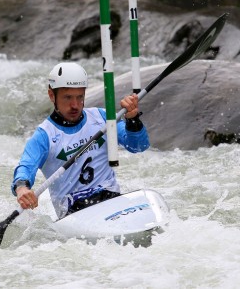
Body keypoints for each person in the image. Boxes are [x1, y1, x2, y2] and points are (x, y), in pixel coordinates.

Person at [11, 62, 150, 219]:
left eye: (80, 97)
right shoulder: (44, 136)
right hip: (75, 212)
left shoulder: (102, 117)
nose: (75, 105)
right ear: (52, 96)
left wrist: (133, 119)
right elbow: (25, 167)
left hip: (111, 200)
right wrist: (22, 188)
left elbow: (139, 146)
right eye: (68, 97)